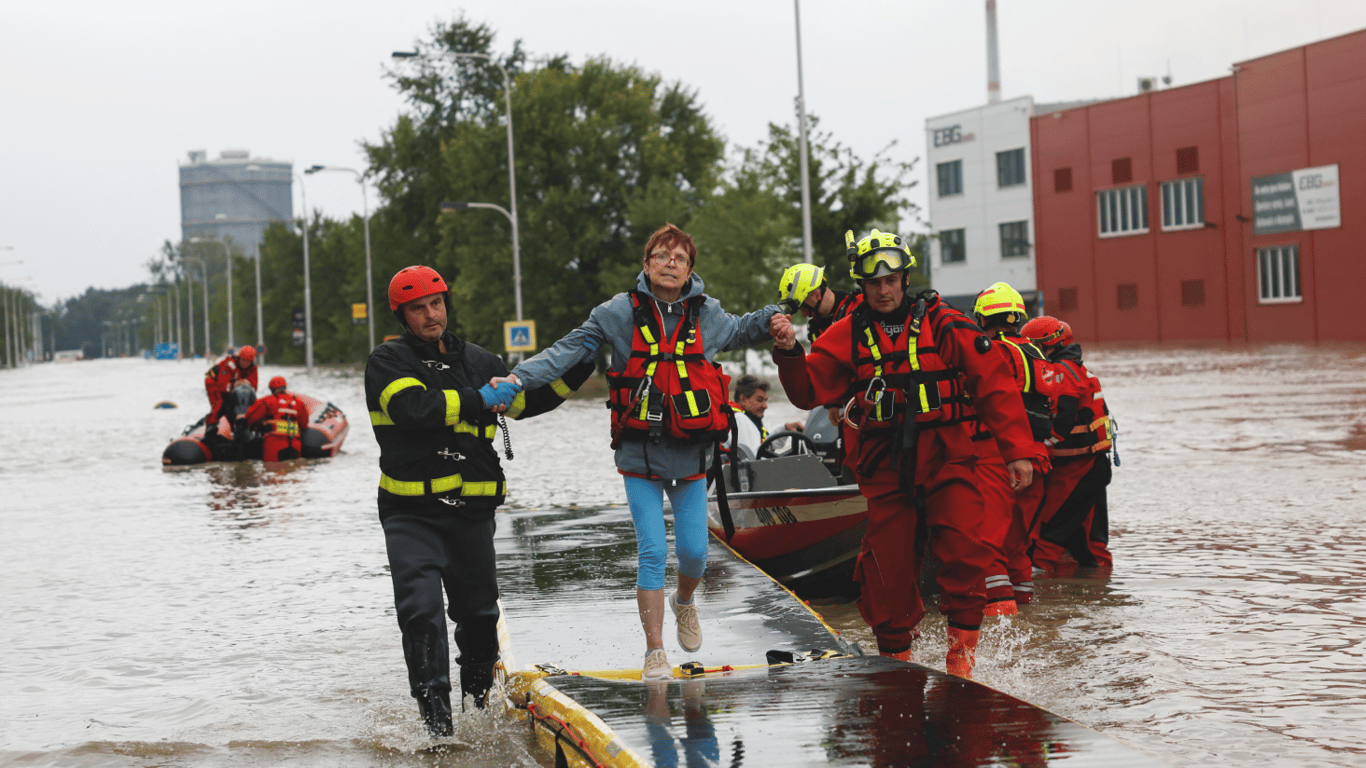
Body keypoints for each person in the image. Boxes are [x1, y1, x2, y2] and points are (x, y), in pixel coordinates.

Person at [502, 223, 790, 681]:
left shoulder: (708, 314)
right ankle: (655, 651)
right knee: (653, 550)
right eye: (661, 255)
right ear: (646, 263)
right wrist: (518, 378)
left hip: (692, 454)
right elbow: (567, 349)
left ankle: (685, 602)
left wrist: (774, 317)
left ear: (690, 267)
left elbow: (741, 329)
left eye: (679, 257)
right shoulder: (617, 312)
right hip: (639, 454)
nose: (670, 263)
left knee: (695, 554)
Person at [769, 229, 1034, 678]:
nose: (884, 289)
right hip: (885, 464)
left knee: (967, 552)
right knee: (885, 573)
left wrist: (1017, 452)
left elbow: (993, 384)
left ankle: (961, 665)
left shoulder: (945, 322)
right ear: (861, 285)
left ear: (906, 278)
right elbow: (808, 389)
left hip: (948, 456)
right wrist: (790, 351)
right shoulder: (846, 333)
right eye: (874, 283)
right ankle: (896, 664)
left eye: (892, 280)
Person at [365, 265, 593, 738]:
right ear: (401, 314)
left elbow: (527, 403)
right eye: (418, 308)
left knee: (480, 620)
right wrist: (477, 397)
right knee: (421, 616)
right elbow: (415, 409)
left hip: (471, 514)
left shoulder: (480, 359)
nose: (431, 314)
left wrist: (583, 365)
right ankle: (439, 733)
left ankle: (478, 715)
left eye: (436, 303)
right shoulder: (387, 361)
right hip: (411, 515)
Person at [971, 282, 1061, 615]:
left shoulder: (989, 351)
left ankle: (1002, 630)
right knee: (1018, 544)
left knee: (987, 540)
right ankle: (1027, 618)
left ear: (983, 319)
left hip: (998, 455)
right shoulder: (1038, 354)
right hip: (1038, 456)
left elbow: (976, 397)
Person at [1020, 316, 1114, 572]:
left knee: (1048, 536)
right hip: (1091, 463)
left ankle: (1042, 602)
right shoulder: (1077, 368)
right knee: (1090, 544)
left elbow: (1062, 422)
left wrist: (1033, 449)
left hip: (1077, 467)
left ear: (1048, 345)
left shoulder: (1061, 371)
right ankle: (1096, 595)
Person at [730, 374, 804, 453]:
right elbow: (754, 461)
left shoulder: (741, 419)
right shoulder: (740, 420)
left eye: (765, 400)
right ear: (743, 399)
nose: (765, 406)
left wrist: (785, 428)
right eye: (759, 400)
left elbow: (763, 444)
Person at [244, 375, 310, 462]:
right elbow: (304, 424)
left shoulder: (267, 401)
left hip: (274, 444)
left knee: (272, 473)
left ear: (271, 389)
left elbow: (250, 418)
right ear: (285, 387)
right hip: (294, 444)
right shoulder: (299, 402)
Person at [203, 345, 258, 436]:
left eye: (247, 361)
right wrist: (234, 385)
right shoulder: (230, 364)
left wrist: (246, 384)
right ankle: (211, 426)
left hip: (229, 383)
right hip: (214, 381)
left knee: (239, 402)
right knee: (219, 403)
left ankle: (237, 427)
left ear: (251, 361)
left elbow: (253, 388)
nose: (245, 363)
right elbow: (222, 386)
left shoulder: (253, 368)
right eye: (243, 360)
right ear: (239, 358)